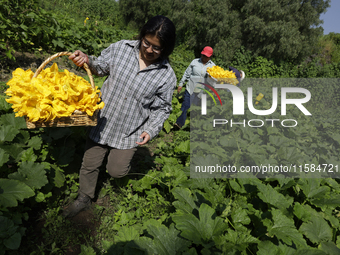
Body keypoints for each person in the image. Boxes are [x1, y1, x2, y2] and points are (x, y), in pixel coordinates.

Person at [62, 15, 177, 218]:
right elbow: (99, 67)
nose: (149, 50)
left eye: (156, 48)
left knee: (116, 171)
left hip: (129, 130)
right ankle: (84, 197)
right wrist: (88, 61)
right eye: (146, 43)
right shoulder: (121, 49)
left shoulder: (166, 75)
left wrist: (150, 130)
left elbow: (162, 108)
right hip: (103, 122)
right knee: (90, 164)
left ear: (165, 49)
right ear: (142, 36)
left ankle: (120, 164)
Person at [175, 46, 215, 129]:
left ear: (210, 57)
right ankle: (179, 124)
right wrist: (181, 83)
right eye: (203, 55)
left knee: (195, 109)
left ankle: (191, 126)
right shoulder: (195, 62)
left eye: (206, 56)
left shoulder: (213, 66)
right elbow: (187, 73)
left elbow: (214, 80)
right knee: (185, 106)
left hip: (201, 91)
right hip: (190, 88)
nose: (204, 57)